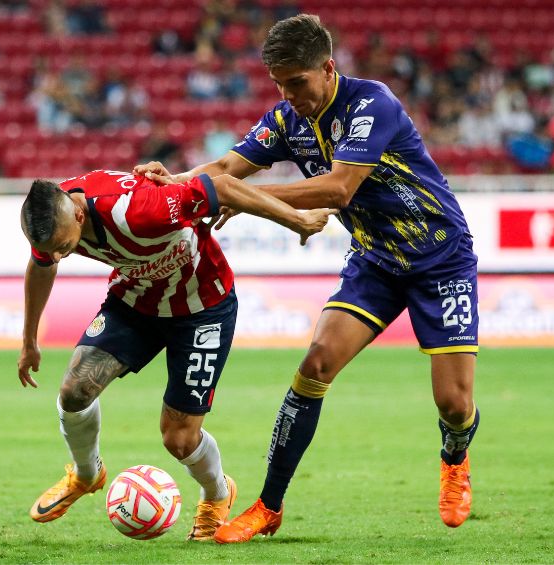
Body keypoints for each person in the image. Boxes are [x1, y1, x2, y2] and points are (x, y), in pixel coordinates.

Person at [135, 14, 481, 542]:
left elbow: (339, 189)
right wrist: (178, 181)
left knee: (454, 405)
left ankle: (455, 452)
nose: (289, 94)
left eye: (297, 83)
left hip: (441, 260)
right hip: (376, 261)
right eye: (279, 84)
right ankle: (267, 507)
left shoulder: (373, 103)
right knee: (314, 364)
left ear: (328, 68)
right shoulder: (286, 118)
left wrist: (245, 200)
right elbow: (229, 168)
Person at [17, 168, 336, 541]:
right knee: (74, 390)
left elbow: (222, 186)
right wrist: (29, 339)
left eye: (63, 246)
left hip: (202, 307)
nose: (57, 254)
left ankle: (217, 494)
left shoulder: (139, 210)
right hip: (135, 301)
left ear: (80, 215)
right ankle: (87, 474)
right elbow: (42, 265)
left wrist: (295, 219)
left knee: (179, 440)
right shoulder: (50, 218)